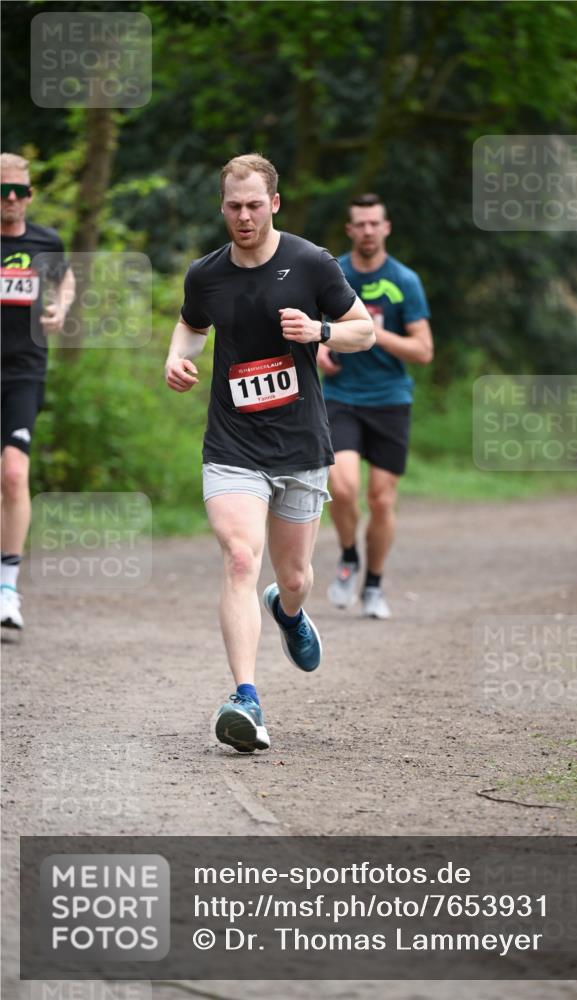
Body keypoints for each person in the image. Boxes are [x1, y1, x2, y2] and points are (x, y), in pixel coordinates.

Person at [164, 154, 374, 753]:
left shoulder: (310, 263)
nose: (245, 216)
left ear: (274, 203)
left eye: (255, 204)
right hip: (232, 444)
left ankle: (288, 612)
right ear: (223, 207)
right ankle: (246, 699)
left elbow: (363, 329)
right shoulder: (205, 274)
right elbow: (191, 325)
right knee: (237, 557)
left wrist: (320, 331)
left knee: (296, 577)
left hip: (300, 443)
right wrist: (179, 358)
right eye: (234, 206)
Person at [318, 193, 433, 620]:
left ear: (386, 228)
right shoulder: (333, 274)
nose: (367, 230)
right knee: (343, 488)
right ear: (350, 231)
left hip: (389, 400)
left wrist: (370, 331)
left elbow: (423, 351)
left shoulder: (404, 281)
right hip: (341, 396)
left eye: (374, 224)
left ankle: (374, 586)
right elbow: (311, 331)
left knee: (381, 500)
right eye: (359, 224)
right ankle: (349, 556)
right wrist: (319, 352)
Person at [1, 152, 75, 630]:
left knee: (12, 472)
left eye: (19, 191)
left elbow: (64, 279)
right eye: (2, 191)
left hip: (24, 369)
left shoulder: (45, 241)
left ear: (30, 195)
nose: (10, 199)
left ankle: (7, 587)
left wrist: (60, 308)